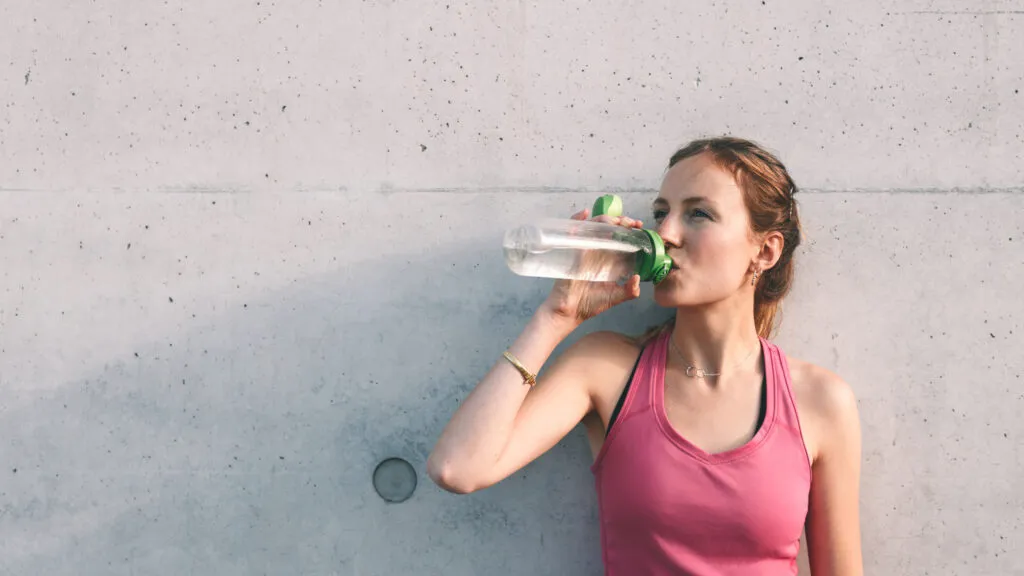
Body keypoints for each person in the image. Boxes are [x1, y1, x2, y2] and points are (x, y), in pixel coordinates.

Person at [427, 137, 863, 575]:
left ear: (765, 251)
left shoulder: (820, 401)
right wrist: (555, 317)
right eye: (661, 213)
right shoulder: (606, 369)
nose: (666, 233)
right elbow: (456, 468)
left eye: (698, 213)